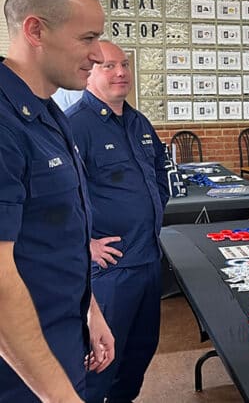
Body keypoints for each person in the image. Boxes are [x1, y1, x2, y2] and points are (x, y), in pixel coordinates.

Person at [0, 0, 114, 402]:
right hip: (20, 373)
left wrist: (90, 309)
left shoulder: (48, 115)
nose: (98, 54)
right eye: (87, 38)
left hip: (61, 339)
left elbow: (59, 235)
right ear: (35, 31)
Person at [66, 40, 169, 403]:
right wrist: (84, 245)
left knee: (139, 352)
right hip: (110, 271)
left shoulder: (138, 121)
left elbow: (160, 172)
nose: (121, 72)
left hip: (147, 260)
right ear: (90, 72)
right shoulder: (75, 126)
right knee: (100, 361)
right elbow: (55, 200)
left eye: (124, 64)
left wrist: (154, 211)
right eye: (108, 66)